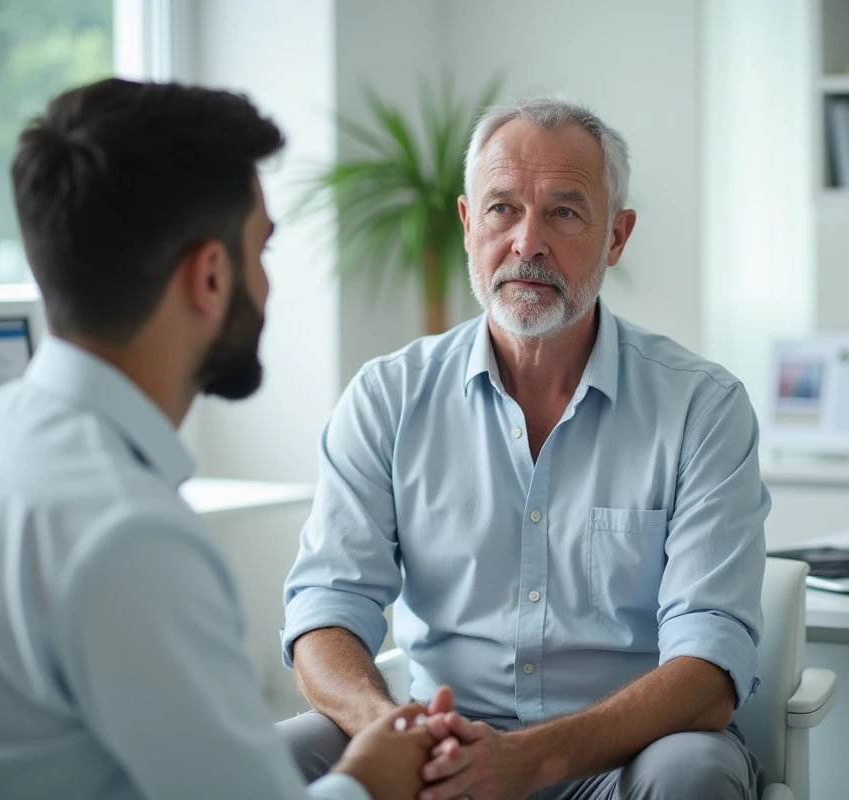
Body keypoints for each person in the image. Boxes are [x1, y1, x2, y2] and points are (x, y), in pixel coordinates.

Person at [0, 78, 449, 800]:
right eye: (263, 251)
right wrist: (369, 781)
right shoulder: (128, 534)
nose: (267, 284)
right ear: (211, 276)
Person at [279, 97, 770, 800]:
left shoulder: (702, 407)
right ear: (467, 223)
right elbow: (324, 610)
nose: (527, 243)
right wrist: (390, 731)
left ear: (617, 237)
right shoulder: (387, 396)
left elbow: (709, 671)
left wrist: (527, 761)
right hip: (434, 749)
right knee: (271, 761)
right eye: (502, 208)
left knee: (693, 772)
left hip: (622, 758)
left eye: (564, 213)